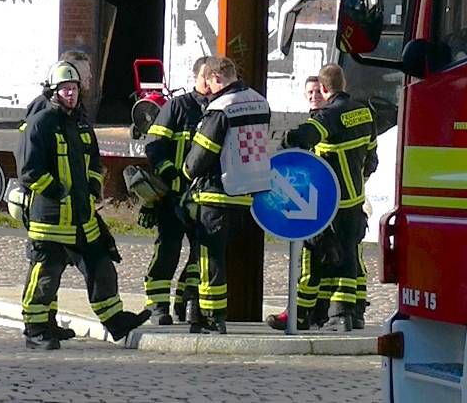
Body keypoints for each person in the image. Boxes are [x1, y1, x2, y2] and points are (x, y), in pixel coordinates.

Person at [16, 61, 143, 350]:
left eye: (73, 89)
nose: (70, 95)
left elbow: (95, 164)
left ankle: (116, 321)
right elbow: (29, 172)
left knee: (101, 266)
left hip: (83, 218)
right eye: (65, 90)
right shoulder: (41, 124)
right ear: (54, 91)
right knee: (46, 275)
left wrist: (93, 190)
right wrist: (59, 192)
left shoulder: (82, 124)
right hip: (50, 219)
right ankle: (36, 330)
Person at [271, 65, 395, 330]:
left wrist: (280, 152)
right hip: (355, 199)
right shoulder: (364, 112)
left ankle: (310, 314)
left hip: (329, 202)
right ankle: (347, 314)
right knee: (350, 255)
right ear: (344, 82)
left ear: (325, 89)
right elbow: (372, 157)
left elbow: (300, 138)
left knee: (315, 255)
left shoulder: (328, 116)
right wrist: (360, 180)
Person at [180, 54, 272, 333]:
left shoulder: (222, 108)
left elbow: (201, 155)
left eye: (209, 82)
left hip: (217, 192)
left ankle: (212, 315)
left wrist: (185, 172)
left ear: (217, 78)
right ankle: (201, 311)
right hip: (248, 192)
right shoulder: (260, 101)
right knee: (226, 256)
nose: (207, 89)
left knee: (211, 258)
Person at [136, 56, 210, 323]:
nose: (210, 83)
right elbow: (154, 145)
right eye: (206, 77)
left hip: (203, 198)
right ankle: (157, 307)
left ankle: (186, 300)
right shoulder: (178, 107)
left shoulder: (218, 109)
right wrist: (167, 170)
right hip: (172, 196)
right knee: (167, 250)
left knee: (200, 253)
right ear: (195, 78)